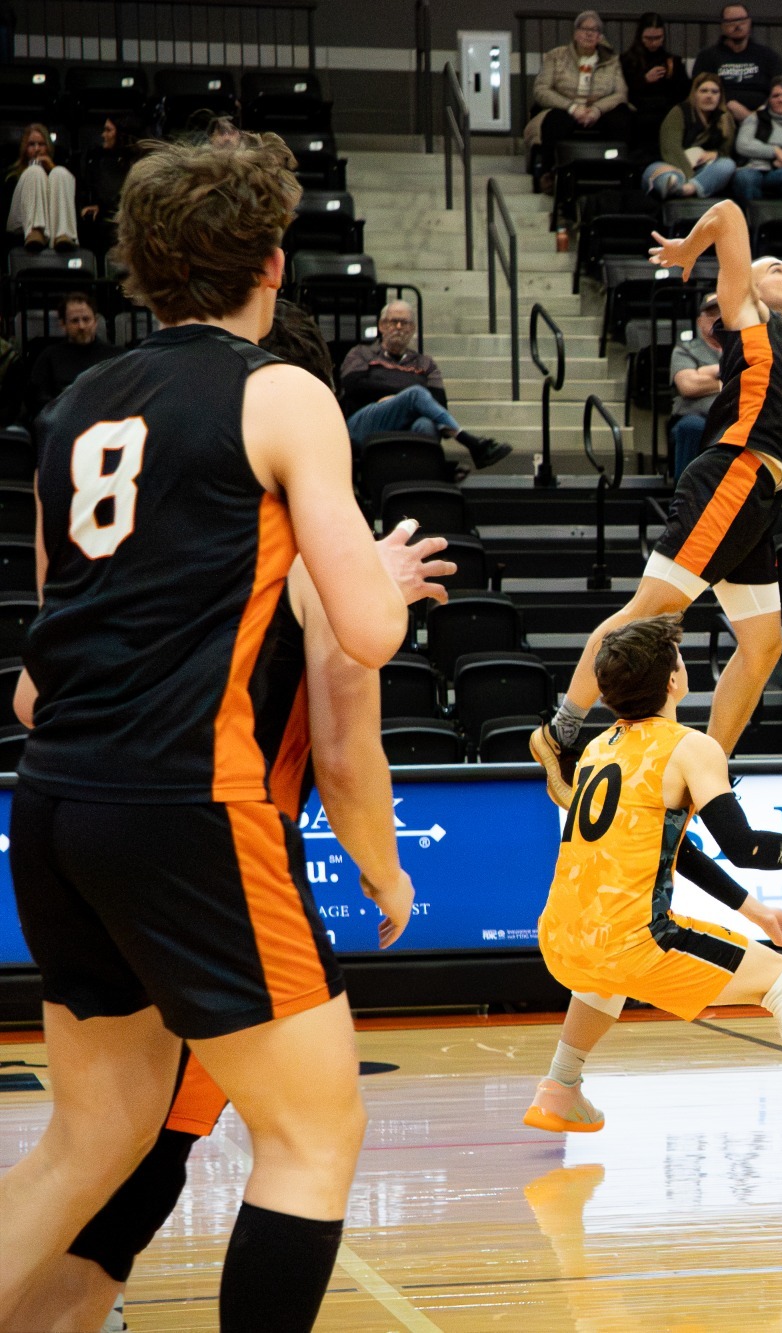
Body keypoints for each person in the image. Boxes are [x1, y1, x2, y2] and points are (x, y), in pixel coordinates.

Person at [0, 132, 425, 1333]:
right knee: (312, 1133)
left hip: (56, 799)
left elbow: (40, 672)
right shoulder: (280, 391)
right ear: (274, 264)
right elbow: (369, 630)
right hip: (194, 800)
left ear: (136, 266)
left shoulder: (76, 404)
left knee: (90, 1140)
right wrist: (379, 570)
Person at [531, 198, 782, 803]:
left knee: (764, 644)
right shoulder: (750, 316)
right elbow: (728, 214)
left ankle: (708, 769)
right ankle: (560, 732)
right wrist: (693, 247)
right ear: (751, 288)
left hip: (762, 500)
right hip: (730, 478)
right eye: (777, 268)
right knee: (650, 614)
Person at [525, 615, 782, 1171]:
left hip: (562, 937)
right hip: (633, 941)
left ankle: (559, 1088)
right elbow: (742, 846)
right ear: (674, 681)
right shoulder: (690, 748)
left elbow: (679, 852)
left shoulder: (601, 746)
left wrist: (756, 911)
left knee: (605, 971)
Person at [338, 300, 512, 470]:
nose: (398, 327)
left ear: (412, 329)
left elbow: (439, 403)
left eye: (404, 323)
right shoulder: (361, 353)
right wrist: (403, 399)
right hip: (365, 421)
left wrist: (401, 400)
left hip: (410, 421)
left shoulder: (425, 364)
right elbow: (354, 386)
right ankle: (469, 442)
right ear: (382, 326)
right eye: (393, 322)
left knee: (426, 424)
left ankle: (428, 478)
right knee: (416, 394)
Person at [528, 10, 634, 192]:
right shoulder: (556, 56)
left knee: (623, 119)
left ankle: (620, 174)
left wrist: (597, 110)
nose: (589, 33)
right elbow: (541, 90)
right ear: (575, 33)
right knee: (554, 122)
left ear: (600, 36)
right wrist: (572, 107)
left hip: (598, 110)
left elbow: (621, 93)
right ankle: (549, 176)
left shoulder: (612, 61)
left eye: (594, 30)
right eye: (585, 29)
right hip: (565, 108)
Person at [644, 72, 737, 200]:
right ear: (695, 94)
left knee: (727, 165)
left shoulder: (725, 118)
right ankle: (676, 185)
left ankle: (685, 190)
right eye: (704, 91)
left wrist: (716, 154)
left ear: (720, 96)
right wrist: (688, 176)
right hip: (672, 165)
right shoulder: (679, 112)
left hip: (703, 171)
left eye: (714, 92)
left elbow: (726, 152)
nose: (709, 96)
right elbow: (671, 150)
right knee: (663, 175)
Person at [27, 292, 119, 418]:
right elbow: (37, 403)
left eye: (86, 319)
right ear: (63, 324)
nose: (81, 326)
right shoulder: (49, 357)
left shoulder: (116, 356)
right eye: (75, 321)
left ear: (95, 322)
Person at [694, 3, 782, 124]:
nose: (737, 25)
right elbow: (699, 89)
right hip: (720, 116)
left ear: (749, 22)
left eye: (741, 20)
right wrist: (728, 104)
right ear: (722, 25)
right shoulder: (707, 56)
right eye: (731, 21)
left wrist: (760, 112)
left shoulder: (768, 55)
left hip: (764, 118)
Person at [669, 290, 726, 476]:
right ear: (699, 321)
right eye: (711, 314)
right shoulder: (685, 349)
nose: (717, 318)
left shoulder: (742, 347)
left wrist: (705, 372)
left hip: (736, 415)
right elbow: (689, 386)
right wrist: (727, 379)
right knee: (692, 427)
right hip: (696, 416)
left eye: (722, 312)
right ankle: (684, 498)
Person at [621, 11, 690, 160]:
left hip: (665, 109)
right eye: (648, 38)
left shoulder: (673, 61)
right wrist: (644, 79)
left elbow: (683, 92)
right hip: (638, 110)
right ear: (640, 36)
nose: (653, 42)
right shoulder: (627, 60)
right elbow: (624, 91)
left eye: (658, 38)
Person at [6, 123, 78, 252]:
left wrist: (52, 168)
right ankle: (35, 231)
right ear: (25, 148)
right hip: (20, 224)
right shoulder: (12, 176)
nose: (37, 149)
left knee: (60, 172)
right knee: (34, 171)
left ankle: (63, 234)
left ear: (48, 147)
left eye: (41, 144)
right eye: (31, 144)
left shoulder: (56, 171)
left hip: (53, 225)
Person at [77, 116, 142, 256]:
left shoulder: (135, 163)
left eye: (108, 130)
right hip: (106, 216)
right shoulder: (97, 160)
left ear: (120, 134)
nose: (103, 135)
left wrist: (103, 207)